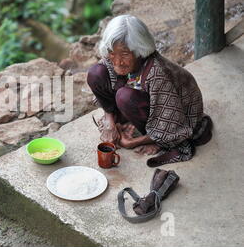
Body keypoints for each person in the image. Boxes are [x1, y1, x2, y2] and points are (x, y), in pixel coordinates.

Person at [86, 15, 212, 167]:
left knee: (124, 97)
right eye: (112, 53)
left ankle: (151, 136)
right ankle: (126, 119)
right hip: (147, 102)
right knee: (95, 73)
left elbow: (171, 124)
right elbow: (101, 76)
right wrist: (110, 124)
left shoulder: (158, 73)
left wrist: (133, 142)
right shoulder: (113, 56)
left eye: (125, 54)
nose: (117, 61)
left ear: (139, 50)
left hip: (176, 115)